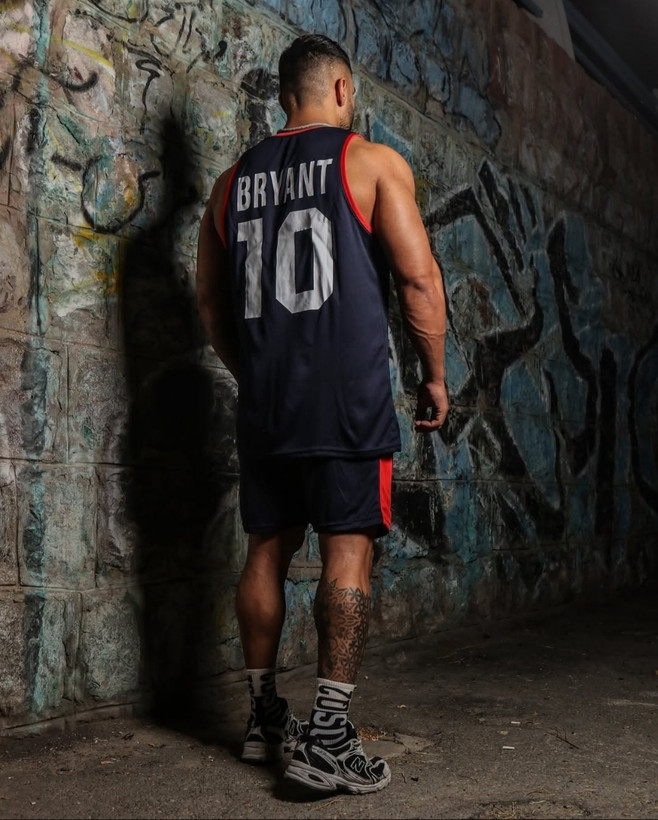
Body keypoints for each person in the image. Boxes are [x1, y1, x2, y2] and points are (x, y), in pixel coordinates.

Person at [196, 33, 449, 795]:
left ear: (285, 97)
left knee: (265, 551)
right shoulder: (369, 162)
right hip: (346, 401)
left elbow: (210, 305)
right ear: (341, 90)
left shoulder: (228, 185)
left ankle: (263, 717)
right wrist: (435, 375)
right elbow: (418, 281)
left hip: (267, 401)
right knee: (348, 551)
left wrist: (255, 373)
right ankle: (329, 735)